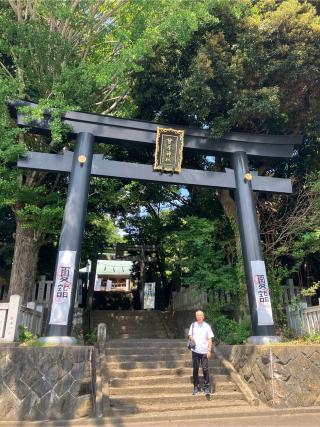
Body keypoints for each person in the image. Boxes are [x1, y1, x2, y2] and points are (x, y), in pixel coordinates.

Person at [188, 309, 214, 396]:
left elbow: (210, 339)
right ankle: (196, 387)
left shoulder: (207, 326)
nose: (199, 317)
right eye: (197, 315)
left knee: (205, 369)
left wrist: (209, 350)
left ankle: (207, 387)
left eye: (201, 315)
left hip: (204, 352)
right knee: (195, 369)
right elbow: (190, 335)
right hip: (195, 351)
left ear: (203, 316)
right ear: (196, 316)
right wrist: (192, 339)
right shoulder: (193, 325)